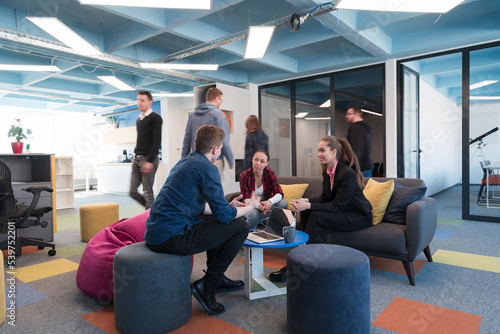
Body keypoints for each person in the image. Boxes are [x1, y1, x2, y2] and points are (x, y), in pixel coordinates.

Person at [145, 125, 260, 315]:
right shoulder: (207, 167)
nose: (221, 150)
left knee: (218, 219)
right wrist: (249, 207)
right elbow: (224, 215)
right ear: (215, 149)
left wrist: (229, 207)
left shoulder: (185, 162)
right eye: (221, 147)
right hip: (172, 237)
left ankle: (217, 278)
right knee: (240, 226)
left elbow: (200, 207)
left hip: (157, 234)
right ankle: (208, 285)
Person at [269, 135, 372, 282]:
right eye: (318, 150)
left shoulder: (347, 173)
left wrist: (308, 204)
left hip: (356, 216)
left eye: (322, 150)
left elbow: (337, 206)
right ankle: (302, 257)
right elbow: (325, 199)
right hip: (342, 211)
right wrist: (305, 201)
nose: (319, 154)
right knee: (307, 210)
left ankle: (299, 266)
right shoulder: (327, 171)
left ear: (334, 151)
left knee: (317, 216)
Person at [182, 87, 234, 177]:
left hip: (195, 160)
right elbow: (224, 140)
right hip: (214, 160)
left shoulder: (193, 115)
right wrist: (231, 160)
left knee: (198, 189)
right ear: (216, 99)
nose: (221, 103)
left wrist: (184, 159)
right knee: (213, 189)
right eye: (221, 100)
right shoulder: (218, 114)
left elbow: (187, 138)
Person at [129, 90, 162, 209]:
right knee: (132, 192)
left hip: (148, 159)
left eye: (142, 100)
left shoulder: (155, 118)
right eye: (138, 100)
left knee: (148, 193)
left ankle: (149, 221)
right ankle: (153, 211)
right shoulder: (139, 120)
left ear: (150, 102)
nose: (139, 103)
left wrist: (149, 161)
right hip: (137, 158)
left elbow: (156, 141)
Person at [239, 150, 287, 230]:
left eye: (262, 161)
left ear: (267, 163)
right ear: (252, 160)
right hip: (251, 205)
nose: (258, 163)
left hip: (266, 205)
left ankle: (261, 220)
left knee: (283, 203)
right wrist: (259, 206)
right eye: (256, 159)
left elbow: (279, 193)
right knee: (254, 214)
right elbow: (246, 199)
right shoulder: (244, 175)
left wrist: (269, 202)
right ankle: (247, 235)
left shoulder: (270, 173)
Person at [345, 105, 374, 177]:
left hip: (359, 168)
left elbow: (356, 149)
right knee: (367, 188)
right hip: (368, 166)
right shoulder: (367, 127)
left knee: (355, 188)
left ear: (356, 114)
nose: (346, 116)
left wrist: (353, 166)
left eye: (349, 114)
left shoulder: (355, 128)